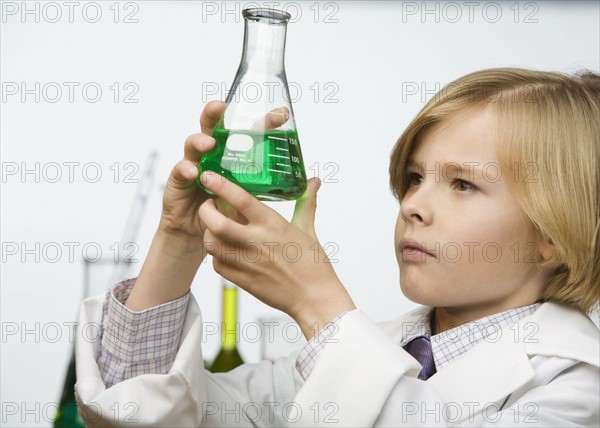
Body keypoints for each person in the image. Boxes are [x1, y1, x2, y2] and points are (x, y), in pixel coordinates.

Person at [75, 68, 599, 427]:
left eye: (463, 184)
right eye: (414, 177)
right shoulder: (355, 351)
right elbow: (143, 412)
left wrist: (317, 306)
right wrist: (179, 241)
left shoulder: (579, 388)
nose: (413, 204)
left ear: (553, 235)